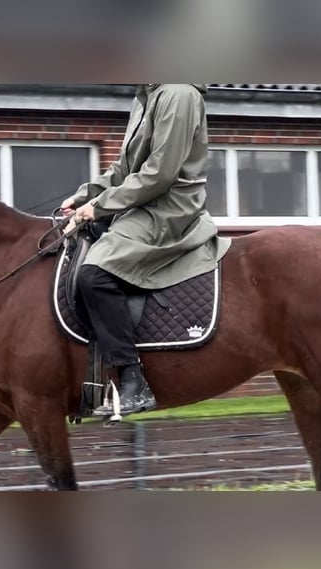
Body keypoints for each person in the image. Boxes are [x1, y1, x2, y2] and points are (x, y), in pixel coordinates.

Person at [61, 84, 231, 417]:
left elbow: (160, 174)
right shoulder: (146, 96)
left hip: (170, 209)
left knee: (94, 274)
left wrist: (100, 206)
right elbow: (125, 171)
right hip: (141, 204)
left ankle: (132, 380)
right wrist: (85, 195)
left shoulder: (178, 94)